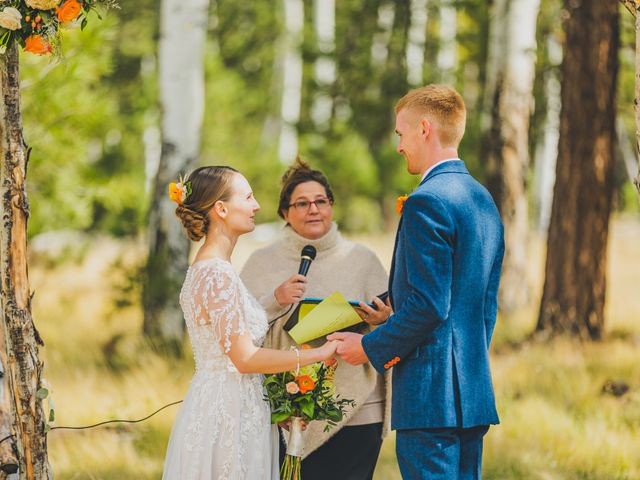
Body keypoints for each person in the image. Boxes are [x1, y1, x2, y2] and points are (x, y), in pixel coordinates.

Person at [329, 84, 505, 480]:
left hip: (430, 397)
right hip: (471, 391)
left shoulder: (427, 201)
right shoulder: (481, 199)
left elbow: (430, 305)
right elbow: (480, 304)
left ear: (424, 129)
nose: (398, 146)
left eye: (400, 134)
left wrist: (370, 346)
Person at [161, 166, 338, 480]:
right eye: (248, 196)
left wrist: (275, 300)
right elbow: (245, 358)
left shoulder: (212, 267)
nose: (256, 206)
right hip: (229, 412)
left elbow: (228, 330)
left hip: (231, 402)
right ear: (221, 209)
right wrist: (316, 355)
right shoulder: (217, 273)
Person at [240, 158, 392, 480]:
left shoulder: (362, 259)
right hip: (286, 409)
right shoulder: (261, 263)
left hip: (358, 409)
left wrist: (381, 318)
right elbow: (240, 333)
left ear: (332, 206)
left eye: (321, 201)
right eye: (302, 203)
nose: (313, 209)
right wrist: (274, 301)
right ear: (285, 212)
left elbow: (394, 327)